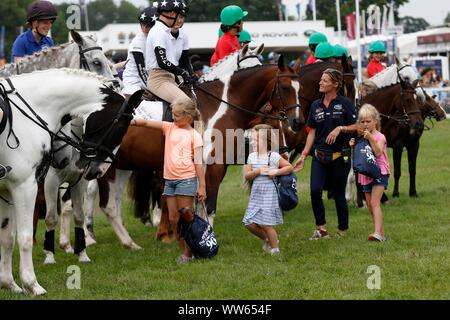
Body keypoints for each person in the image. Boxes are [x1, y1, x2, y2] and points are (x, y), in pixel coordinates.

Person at [130, 98, 206, 263]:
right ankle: (185, 251)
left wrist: (202, 187)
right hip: (170, 181)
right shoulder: (168, 127)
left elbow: (199, 164)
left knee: (186, 216)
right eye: (172, 114)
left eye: (177, 115)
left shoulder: (195, 136)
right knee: (173, 219)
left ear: (188, 118)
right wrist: (132, 121)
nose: (173, 118)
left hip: (186, 180)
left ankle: (191, 251)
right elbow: (146, 123)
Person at [293, 68, 358, 239]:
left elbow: (358, 126)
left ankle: (343, 230)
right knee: (315, 191)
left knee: (338, 195)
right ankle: (321, 229)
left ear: (335, 84)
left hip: (340, 157)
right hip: (319, 156)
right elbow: (312, 132)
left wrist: (341, 128)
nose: (320, 82)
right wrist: (304, 155)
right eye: (321, 79)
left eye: (325, 80)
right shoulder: (315, 105)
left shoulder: (345, 103)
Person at [243, 124, 293, 255]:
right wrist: (258, 171)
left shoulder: (273, 156)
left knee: (266, 223)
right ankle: (268, 239)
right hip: (256, 194)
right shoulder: (252, 157)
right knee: (248, 222)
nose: (253, 142)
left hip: (269, 194)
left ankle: (275, 249)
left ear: (267, 141)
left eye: (256, 139)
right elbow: (247, 176)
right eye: (252, 139)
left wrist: (275, 172)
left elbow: (289, 167)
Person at [349, 104, 389, 242]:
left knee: (375, 202)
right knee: (370, 206)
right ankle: (381, 235)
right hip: (366, 174)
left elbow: (378, 153)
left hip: (379, 172)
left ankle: (377, 233)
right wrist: (353, 146)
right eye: (363, 122)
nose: (365, 124)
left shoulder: (380, 137)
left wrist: (370, 138)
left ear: (375, 121)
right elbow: (360, 158)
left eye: (368, 121)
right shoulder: (361, 138)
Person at [145, 0, 194, 104]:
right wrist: (182, 72)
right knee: (186, 103)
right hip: (159, 79)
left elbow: (182, 61)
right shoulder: (158, 31)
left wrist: (191, 75)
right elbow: (162, 61)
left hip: (170, 78)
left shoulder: (165, 31)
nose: (180, 20)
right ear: (172, 14)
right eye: (179, 15)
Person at [122, 6, 158, 98]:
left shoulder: (157, 38)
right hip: (134, 84)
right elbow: (141, 70)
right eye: (142, 24)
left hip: (151, 80)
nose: (144, 29)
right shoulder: (137, 41)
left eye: (149, 26)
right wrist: (153, 89)